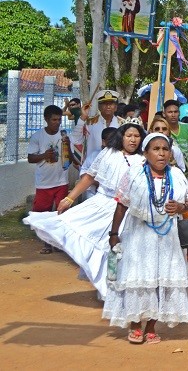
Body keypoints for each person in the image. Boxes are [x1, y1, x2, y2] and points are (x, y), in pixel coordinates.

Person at [24, 120, 146, 298]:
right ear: (122, 137)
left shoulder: (143, 159)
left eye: (137, 136)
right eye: (129, 136)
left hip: (128, 211)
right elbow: (89, 177)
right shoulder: (108, 153)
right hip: (101, 205)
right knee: (99, 244)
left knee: (120, 249)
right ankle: (107, 290)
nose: (133, 140)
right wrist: (69, 198)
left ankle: (116, 288)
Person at [102, 132, 188, 344]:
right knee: (139, 279)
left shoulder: (177, 175)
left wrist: (180, 207)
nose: (161, 154)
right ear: (145, 153)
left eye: (165, 149)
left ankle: (152, 326)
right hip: (138, 236)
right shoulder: (134, 174)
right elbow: (121, 204)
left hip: (166, 239)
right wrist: (114, 234)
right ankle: (135, 325)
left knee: (160, 279)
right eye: (156, 149)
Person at [26, 105, 71, 254]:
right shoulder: (37, 136)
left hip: (61, 181)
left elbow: (69, 157)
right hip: (44, 183)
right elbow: (31, 158)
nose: (57, 123)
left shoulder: (64, 136)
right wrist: (45, 155)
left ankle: (60, 242)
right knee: (42, 213)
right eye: (54, 120)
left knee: (62, 212)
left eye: (59, 119)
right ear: (46, 119)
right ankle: (46, 243)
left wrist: (68, 147)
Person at [70, 89, 125, 169]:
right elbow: (75, 139)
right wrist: (83, 118)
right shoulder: (90, 123)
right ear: (99, 106)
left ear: (116, 107)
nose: (108, 106)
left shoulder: (123, 124)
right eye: (104, 103)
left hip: (115, 168)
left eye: (111, 103)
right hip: (93, 167)